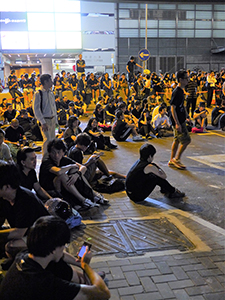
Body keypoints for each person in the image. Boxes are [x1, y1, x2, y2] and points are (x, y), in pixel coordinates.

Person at [0, 215, 111, 300]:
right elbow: (103, 293)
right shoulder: (44, 283)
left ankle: (86, 282)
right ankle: (88, 282)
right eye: (63, 245)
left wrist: (78, 262)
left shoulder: (24, 255)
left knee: (58, 264)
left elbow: (60, 255)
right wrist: (85, 265)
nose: (63, 249)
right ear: (53, 248)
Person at [0, 161, 49, 269]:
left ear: (7, 186)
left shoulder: (25, 199)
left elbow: (19, 232)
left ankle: (24, 261)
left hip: (43, 236)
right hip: (26, 233)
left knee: (11, 246)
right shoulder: (4, 198)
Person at [39, 139, 106, 208]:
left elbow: (83, 168)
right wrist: (71, 166)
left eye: (59, 152)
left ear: (63, 152)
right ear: (49, 153)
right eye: (53, 152)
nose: (56, 155)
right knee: (63, 175)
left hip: (62, 186)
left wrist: (77, 174)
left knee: (75, 171)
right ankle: (83, 200)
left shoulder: (64, 159)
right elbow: (58, 171)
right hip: (50, 190)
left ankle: (94, 195)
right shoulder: (46, 162)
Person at [168, 70, 191, 170]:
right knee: (186, 140)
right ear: (180, 79)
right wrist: (177, 123)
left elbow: (181, 106)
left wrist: (187, 116)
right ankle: (177, 159)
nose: (188, 80)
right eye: (186, 78)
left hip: (181, 119)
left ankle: (172, 159)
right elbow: (172, 107)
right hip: (177, 121)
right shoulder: (177, 92)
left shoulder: (181, 91)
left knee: (177, 140)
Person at [32, 74, 57, 160]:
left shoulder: (51, 93)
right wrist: (42, 122)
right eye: (50, 80)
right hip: (45, 121)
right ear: (45, 82)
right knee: (47, 140)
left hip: (52, 119)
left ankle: (52, 158)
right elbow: (36, 109)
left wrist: (56, 121)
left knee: (53, 140)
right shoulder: (38, 93)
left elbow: (54, 107)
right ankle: (45, 160)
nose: (52, 82)